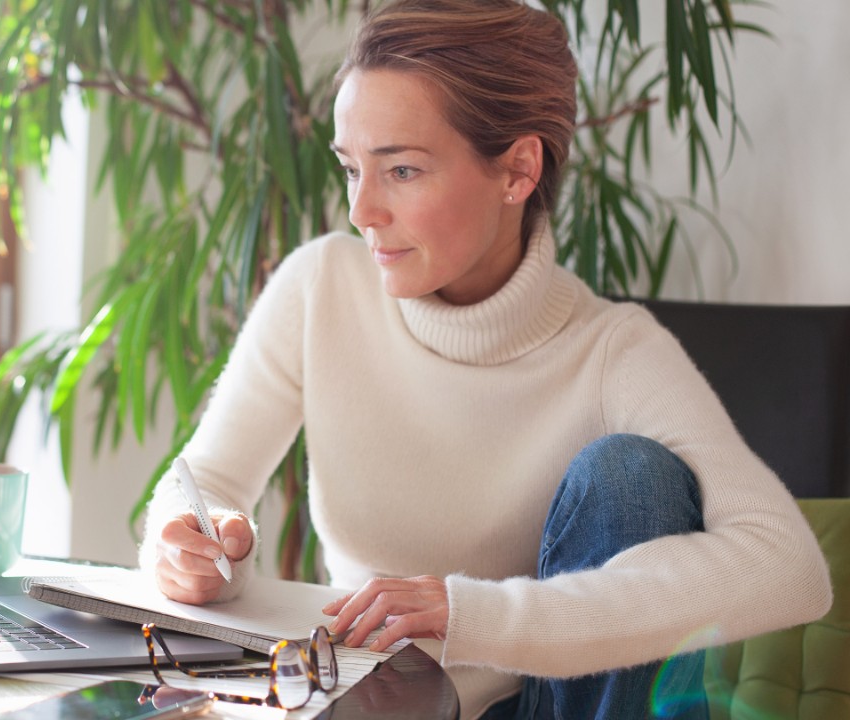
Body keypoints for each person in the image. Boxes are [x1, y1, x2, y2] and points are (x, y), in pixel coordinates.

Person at [138, 0, 833, 718]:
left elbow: (786, 566)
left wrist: (473, 615)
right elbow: (207, 480)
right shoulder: (320, 288)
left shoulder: (615, 352)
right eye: (350, 168)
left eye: (401, 170)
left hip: (535, 709)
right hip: (360, 703)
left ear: (518, 170)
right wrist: (197, 548)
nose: (361, 210)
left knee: (633, 474)